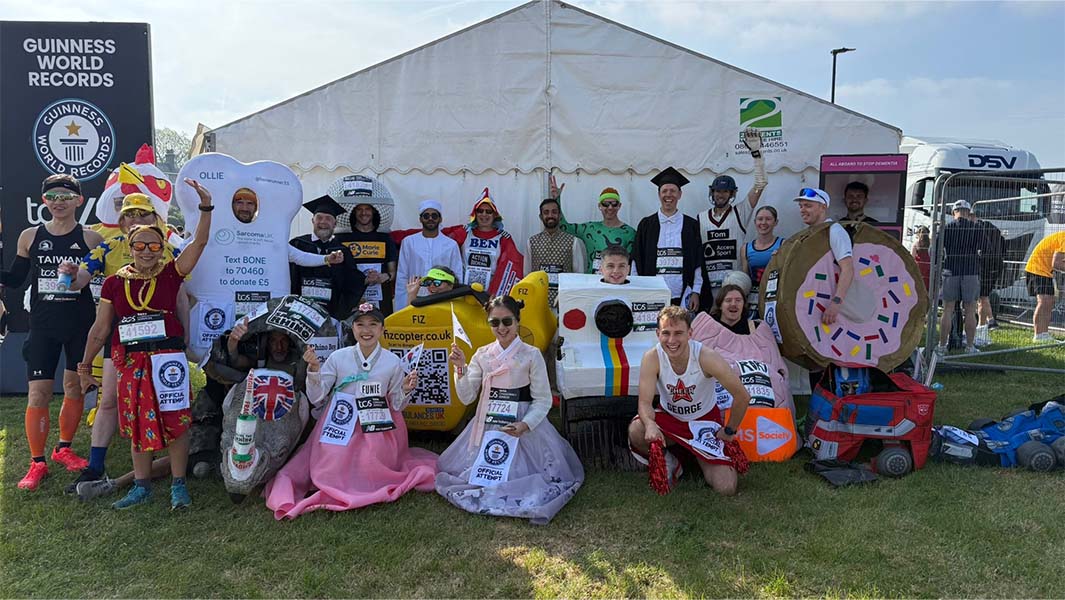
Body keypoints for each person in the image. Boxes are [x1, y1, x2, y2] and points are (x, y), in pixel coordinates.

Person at [77, 177, 214, 510]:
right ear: (130, 245)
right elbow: (100, 328)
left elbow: (198, 244)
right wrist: (84, 366)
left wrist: (206, 207)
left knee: (177, 421)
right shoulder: (113, 283)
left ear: (161, 247)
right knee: (137, 421)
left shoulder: (170, 274)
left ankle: (178, 486)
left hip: (168, 360)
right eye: (141, 246)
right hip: (132, 361)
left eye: (154, 246)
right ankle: (141, 486)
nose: (148, 252)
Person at [58, 193, 185, 494]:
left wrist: (186, 343)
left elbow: (181, 298)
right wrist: (70, 274)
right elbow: (80, 280)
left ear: (154, 219)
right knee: (110, 401)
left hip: (163, 341)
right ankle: (94, 465)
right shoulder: (109, 246)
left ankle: (173, 472)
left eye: (143, 215)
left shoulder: (168, 249)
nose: (136, 220)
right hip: (121, 338)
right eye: (130, 215)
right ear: (122, 220)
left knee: (167, 403)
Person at [264, 303, 438, 519]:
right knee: (333, 458)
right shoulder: (339, 357)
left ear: (382, 329)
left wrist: (404, 389)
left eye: (373, 325)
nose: (367, 330)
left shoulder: (392, 362)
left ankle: (367, 478)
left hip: (378, 424)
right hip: (341, 420)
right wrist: (315, 371)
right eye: (360, 325)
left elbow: (396, 405)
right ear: (352, 329)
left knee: (371, 458)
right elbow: (317, 396)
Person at [437, 296, 584, 524]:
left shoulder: (531, 355)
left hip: (522, 421)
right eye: (494, 323)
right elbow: (466, 395)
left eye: (507, 321)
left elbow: (543, 399)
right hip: (488, 422)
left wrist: (526, 424)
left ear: (517, 321)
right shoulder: (482, 354)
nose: (501, 328)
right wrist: (459, 369)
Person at [1, 174, 102, 491]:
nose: (59, 201)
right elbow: (16, 279)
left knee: (73, 387)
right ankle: (37, 462)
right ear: (44, 201)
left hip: (79, 323)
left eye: (65, 196)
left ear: (78, 201)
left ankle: (64, 449)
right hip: (43, 324)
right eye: (52, 196)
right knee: (38, 393)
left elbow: (98, 279)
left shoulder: (92, 239)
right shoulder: (30, 236)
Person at [627, 306, 751, 495]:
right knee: (636, 429)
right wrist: (650, 424)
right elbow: (644, 403)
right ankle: (672, 462)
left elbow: (742, 395)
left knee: (726, 487)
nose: (672, 340)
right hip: (671, 420)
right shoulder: (651, 357)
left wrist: (729, 430)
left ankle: (696, 456)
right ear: (657, 333)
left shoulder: (707, 357)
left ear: (690, 333)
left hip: (704, 422)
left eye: (678, 333)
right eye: (666, 333)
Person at [691, 283, 794, 414]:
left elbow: (775, 363)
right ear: (720, 305)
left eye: (738, 300)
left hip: (760, 385)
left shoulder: (758, 329)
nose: (733, 304)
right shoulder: (706, 328)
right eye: (728, 300)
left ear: (743, 305)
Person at [698, 128, 768, 305]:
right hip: (708, 286)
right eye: (717, 191)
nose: (720, 195)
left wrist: (757, 155)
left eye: (724, 191)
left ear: (731, 194)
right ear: (712, 193)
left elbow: (761, 183)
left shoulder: (740, 211)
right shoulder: (701, 217)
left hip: (734, 285)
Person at [634, 167, 702, 309]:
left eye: (673, 191)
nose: (668, 195)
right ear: (659, 194)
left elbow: (698, 262)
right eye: (664, 191)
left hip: (682, 295)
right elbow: (636, 260)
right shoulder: (646, 225)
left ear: (680, 194)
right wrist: (636, 288)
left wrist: (696, 291)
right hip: (652, 294)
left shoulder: (691, 226)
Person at [289, 195, 365, 320]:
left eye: (328, 218)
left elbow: (352, 282)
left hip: (331, 313)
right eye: (319, 217)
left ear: (335, 224)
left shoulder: (343, 251)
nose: (323, 222)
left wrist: (367, 279)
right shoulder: (297, 245)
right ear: (312, 220)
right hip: (298, 311)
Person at [794, 187, 854, 326]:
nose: (802, 210)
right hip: (811, 307)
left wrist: (836, 303)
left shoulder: (835, 231)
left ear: (823, 207)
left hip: (828, 310)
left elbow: (848, 269)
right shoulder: (808, 233)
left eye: (808, 206)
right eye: (801, 206)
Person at [553, 177, 636, 273]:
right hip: (593, 284)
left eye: (614, 204)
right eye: (605, 204)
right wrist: (556, 199)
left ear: (619, 206)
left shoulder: (630, 233)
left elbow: (632, 265)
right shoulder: (589, 229)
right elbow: (564, 227)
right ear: (599, 206)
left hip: (617, 284)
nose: (610, 207)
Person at [394, 200, 464, 310]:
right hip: (415, 297)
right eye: (426, 216)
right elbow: (402, 275)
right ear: (420, 219)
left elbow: (457, 276)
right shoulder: (409, 242)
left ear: (440, 219)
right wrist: (402, 305)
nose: (430, 219)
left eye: (434, 216)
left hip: (441, 298)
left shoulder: (451, 244)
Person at [453, 188, 524, 297]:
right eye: (480, 211)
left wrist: (496, 294)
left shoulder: (503, 238)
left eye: (488, 211)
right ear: (475, 214)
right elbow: (438, 238)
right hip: (464, 293)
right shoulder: (464, 233)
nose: (484, 215)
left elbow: (513, 267)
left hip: (490, 295)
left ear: (495, 215)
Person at [937, 200, 985, 355]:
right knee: (970, 310)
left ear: (953, 212)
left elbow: (934, 250)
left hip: (950, 271)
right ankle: (970, 346)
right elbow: (987, 249)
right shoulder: (976, 228)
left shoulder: (946, 228)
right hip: (970, 271)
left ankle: (942, 346)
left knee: (947, 310)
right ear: (968, 212)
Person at [337, 196, 398, 315]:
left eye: (367, 209)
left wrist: (384, 276)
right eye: (359, 209)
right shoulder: (342, 238)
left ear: (374, 211)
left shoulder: (385, 238)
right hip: (351, 298)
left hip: (380, 298)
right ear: (354, 212)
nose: (363, 213)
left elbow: (393, 272)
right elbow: (339, 271)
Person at [525, 197, 585, 309]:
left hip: (564, 302)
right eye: (546, 212)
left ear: (560, 215)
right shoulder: (531, 242)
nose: (550, 215)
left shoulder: (573, 241)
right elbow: (527, 275)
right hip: (538, 302)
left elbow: (579, 276)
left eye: (554, 212)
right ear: (540, 216)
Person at [737, 206, 783, 310]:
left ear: (776, 222)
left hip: (774, 300)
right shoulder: (746, 248)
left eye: (768, 219)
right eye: (760, 219)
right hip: (752, 301)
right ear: (755, 222)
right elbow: (745, 280)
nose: (763, 222)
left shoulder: (783, 245)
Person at [1024, 230, 1065, 342]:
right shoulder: (1064, 238)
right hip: (1037, 269)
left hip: (1044, 271)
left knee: (1049, 302)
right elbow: (1056, 263)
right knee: (1044, 302)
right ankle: (1038, 335)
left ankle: (1044, 334)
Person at [973, 214, 1006, 346]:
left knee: (982, 296)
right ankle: (989, 321)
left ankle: (984, 325)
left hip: (985, 264)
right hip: (997, 264)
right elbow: (1003, 246)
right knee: (984, 295)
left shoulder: (977, 229)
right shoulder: (994, 228)